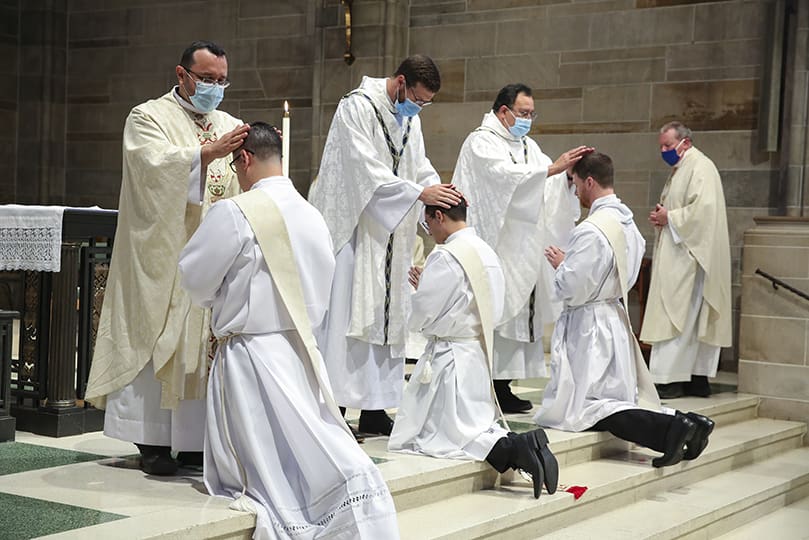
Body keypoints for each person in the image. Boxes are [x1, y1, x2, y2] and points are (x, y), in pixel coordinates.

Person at [178, 122, 399, 539]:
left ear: (244, 159)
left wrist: (220, 301)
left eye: (235, 164)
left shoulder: (236, 211)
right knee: (305, 441)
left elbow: (194, 277)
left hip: (250, 357)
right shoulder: (311, 214)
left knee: (264, 463)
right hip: (299, 349)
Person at [85, 41, 251, 475]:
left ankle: (195, 443)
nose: (215, 87)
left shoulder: (229, 123)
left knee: (200, 343)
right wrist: (204, 154)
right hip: (160, 255)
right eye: (208, 79)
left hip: (210, 256)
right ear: (182, 75)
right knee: (155, 333)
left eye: (221, 80)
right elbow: (149, 170)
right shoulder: (147, 117)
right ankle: (153, 442)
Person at [308, 55, 462, 436]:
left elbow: (418, 162)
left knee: (387, 316)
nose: (419, 107)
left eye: (426, 103)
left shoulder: (410, 117)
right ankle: (337, 406)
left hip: (393, 231)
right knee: (349, 316)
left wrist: (435, 189)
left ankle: (376, 408)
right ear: (400, 83)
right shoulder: (355, 108)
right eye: (418, 99)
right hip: (357, 231)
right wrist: (417, 191)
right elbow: (361, 167)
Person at [534, 152, 714, 468]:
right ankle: (690, 423)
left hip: (590, 326)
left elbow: (575, 289)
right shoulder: (627, 222)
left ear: (588, 181)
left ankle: (669, 430)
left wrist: (562, 265)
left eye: (575, 183)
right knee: (609, 400)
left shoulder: (591, 229)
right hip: (612, 318)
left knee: (590, 406)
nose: (575, 192)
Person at [389, 195, 558, 500]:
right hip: (476, 353)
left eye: (428, 223)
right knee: (473, 423)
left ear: (440, 216)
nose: (430, 231)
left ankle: (518, 449)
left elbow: (427, 312)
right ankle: (526, 445)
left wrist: (419, 290)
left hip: (450, 356)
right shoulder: (486, 251)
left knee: (450, 436)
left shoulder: (446, 255)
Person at [451, 83, 592, 413]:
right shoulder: (481, 141)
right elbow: (500, 177)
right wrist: (552, 169)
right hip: (498, 244)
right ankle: (488, 385)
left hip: (526, 246)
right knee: (500, 315)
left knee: (520, 320)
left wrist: (567, 178)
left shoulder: (529, 146)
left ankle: (505, 385)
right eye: (523, 113)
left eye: (532, 113)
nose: (529, 119)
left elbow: (548, 180)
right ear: (503, 111)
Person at [641, 122, 732, 399]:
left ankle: (673, 379)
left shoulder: (700, 167)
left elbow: (704, 212)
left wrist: (670, 217)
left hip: (692, 260)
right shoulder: (682, 168)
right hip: (682, 253)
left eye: (668, 145)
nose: (665, 151)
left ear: (686, 142)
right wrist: (664, 216)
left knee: (680, 315)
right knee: (683, 317)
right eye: (661, 147)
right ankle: (691, 378)